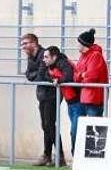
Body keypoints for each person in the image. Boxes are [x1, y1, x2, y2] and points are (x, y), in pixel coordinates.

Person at [22, 33, 60, 167]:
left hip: (51, 94)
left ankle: (58, 156)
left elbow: (41, 75)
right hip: (42, 94)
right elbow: (29, 75)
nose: (23, 47)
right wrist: (37, 75)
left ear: (34, 43)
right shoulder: (31, 56)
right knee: (45, 125)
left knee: (49, 125)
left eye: (26, 43)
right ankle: (48, 156)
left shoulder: (44, 54)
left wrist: (38, 75)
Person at [43, 46, 76, 158]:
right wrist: (54, 80)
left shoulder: (63, 63)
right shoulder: (51, 65)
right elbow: (44, 76)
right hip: (70, 99)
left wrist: (58, 80)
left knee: (75, 130)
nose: (44, 59)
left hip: (77, 99)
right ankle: (66, 157)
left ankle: (74, 158)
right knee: (73, 130)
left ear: (54, 57)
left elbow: (68, 76)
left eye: (46, 57)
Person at [75, 29, 109, 122]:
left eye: (78, 42)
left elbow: (91, 77)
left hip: (94, 98)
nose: (76, 45)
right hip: (84, 97)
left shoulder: (96, 56)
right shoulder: (83, 56)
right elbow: (76, 75)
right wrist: (82, 75)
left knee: (93, 129)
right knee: (78, 129)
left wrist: (81, 75)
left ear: (83, 44)